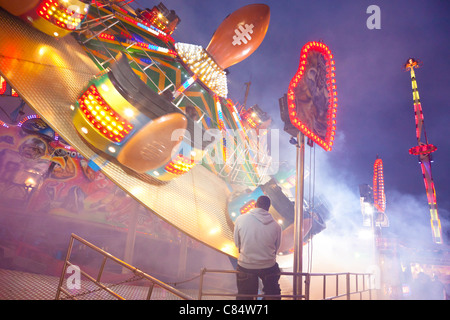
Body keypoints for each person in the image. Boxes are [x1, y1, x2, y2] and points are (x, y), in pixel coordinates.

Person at [233, 195, 282, 300]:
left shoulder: (240, 219)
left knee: (245, 296)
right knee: (273, 292)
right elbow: (276, 249)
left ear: (255, 205)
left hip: (246, 265)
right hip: (268, 266)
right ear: (268, 208)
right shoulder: (276, 226)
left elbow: (237, 243)